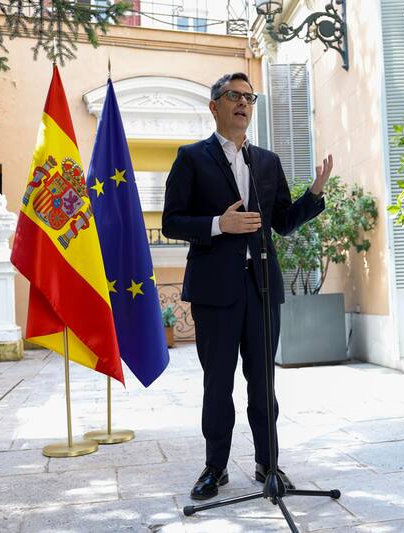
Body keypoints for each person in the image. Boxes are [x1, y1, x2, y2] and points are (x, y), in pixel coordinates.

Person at [162, 72, 332, 501]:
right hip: (214, 291)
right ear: (214, 106)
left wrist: (314, 194)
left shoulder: (267, 162)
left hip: (261, 288)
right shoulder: (191, 158)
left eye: (249, 97)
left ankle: (267, 463)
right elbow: (171, 222)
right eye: (233, 95)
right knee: (218, 383)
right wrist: (220, 224)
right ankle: (215, 468)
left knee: (263, 382)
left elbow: (283, 222)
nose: (242, 103)